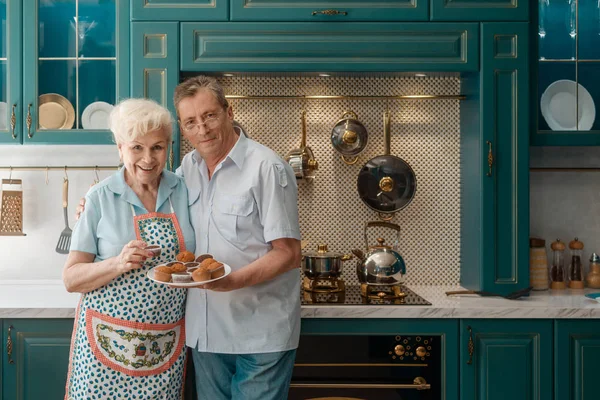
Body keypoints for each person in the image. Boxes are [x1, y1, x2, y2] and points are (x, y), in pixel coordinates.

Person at [174, 75, 302, 400]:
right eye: (190, 122)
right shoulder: (185, 169)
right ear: (182, 127)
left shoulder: (267, 168)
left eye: (209, 116)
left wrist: (232, 282)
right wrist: (92, 201)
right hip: (206, 334)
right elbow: (144, 193)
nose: (201, 129)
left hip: (259, 335)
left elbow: (288, 253)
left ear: (229, 112)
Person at [63, 98, 196, 399]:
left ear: (169, 147)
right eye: (137, 147)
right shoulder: (99, 197)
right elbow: (71, 278)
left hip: (163, 346)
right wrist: (117, 263)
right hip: (105, 345)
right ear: (120, 148)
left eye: (157, 147)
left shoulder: (184, 190)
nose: (148, 158)